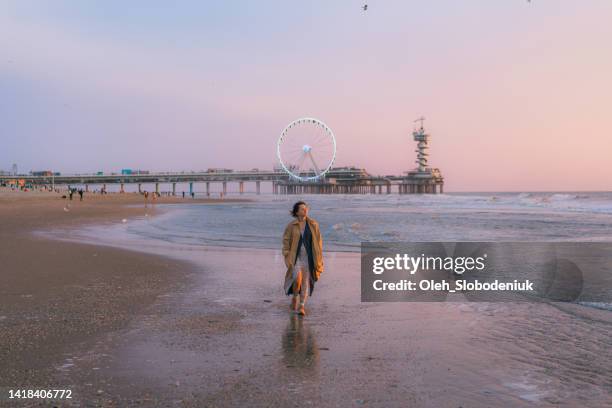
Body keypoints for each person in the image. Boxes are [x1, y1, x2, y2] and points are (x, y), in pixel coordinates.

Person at [282, 201, 324, 316]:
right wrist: (286, 253)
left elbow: (319, 240)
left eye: (306, 208)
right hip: (296, 257)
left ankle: (301, 305)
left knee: (305, 281)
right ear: (296, 212)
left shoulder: (313, 224)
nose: (305, 210)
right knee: (296, 279)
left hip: (308, 257)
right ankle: (295, 296)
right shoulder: (291, 226)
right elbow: (286, 240)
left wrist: (319, 255)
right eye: (301, 209)